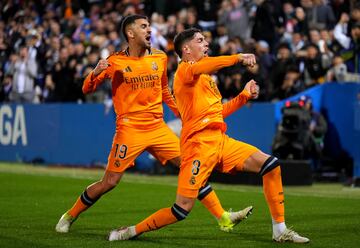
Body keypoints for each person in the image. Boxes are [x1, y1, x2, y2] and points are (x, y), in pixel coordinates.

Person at [109, 28, 310, 244]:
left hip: (220, 141)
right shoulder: (184, 71)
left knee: (270, 165)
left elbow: (218, 113)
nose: (206, 43)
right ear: (186, 49)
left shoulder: (206, 79)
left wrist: (243, 96)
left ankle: (279, 230)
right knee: (181, 209)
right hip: (197, 147)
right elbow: (208, 64)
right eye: (200, 40)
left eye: (205, 40)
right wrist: (238, 58)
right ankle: (130, 231)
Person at [55, 15, 252, 234]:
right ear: (130, 34)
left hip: (157, 128)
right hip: (129, 129)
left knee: (189, 165)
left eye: (149, 26)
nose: (149, 30)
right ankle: (70, 215)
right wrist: (95, 72)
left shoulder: (159, 58)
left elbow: (165, 92)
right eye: (143, 27)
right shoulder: (116, 61)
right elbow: (86, 89)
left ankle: (223, 217)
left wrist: (181, 113)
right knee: (109, 182)